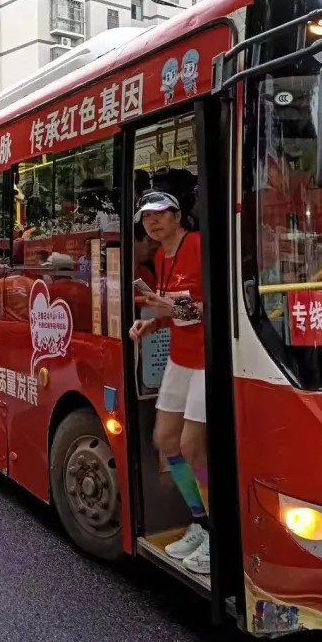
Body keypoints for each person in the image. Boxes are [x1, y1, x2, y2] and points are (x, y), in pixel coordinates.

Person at [128, 190, 210, 575]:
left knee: (193, 447)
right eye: (146, 217)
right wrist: (153, 323)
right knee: (165, 440)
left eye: (160, 214)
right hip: (180, 359)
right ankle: (200, 521)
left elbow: (218, 305)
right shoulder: (161, 256)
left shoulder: (199, 246)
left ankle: (217, 530)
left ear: (177, 216)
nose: (152, 222)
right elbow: (171, 310)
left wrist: (171, 307)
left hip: (208, 360)